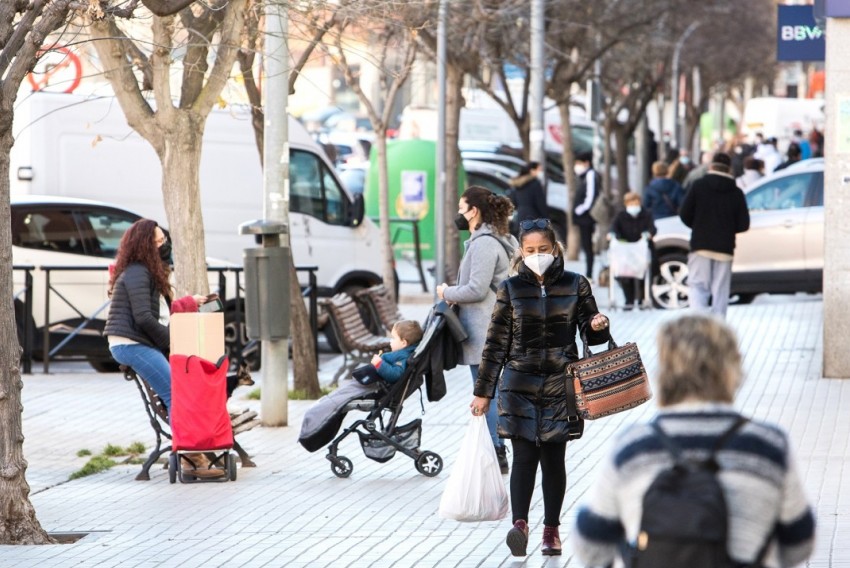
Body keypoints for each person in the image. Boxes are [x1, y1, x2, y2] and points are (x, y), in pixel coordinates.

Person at [571, 314, 815, 568]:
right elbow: (800, 543)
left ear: (664, 371)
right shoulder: (768, 445)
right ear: (731, 368)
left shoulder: (633, 446)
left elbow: (591, 545)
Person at [470, 218, 611, 558]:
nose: (537, 255)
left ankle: (551, 529)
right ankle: (520, 525)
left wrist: (597, 325)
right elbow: (495, 344)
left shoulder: (577, 284)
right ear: (521, 251)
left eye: (543, 250)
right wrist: (483, 391)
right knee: (523, 457)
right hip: (518, 383)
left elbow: (592, 333)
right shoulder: (511, 289)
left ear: (555, 249)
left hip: (561, 383)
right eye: (530, 250)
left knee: (553, 458)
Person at [104, 219, 221, 477]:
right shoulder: (137, 272)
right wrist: (172, 342)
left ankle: (192, 452)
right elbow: (144, 318)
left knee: (177, 392)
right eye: (157, 241)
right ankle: (191, 460)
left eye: (163, 240)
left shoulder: (144, 271)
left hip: (137, 342)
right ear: (144, 244)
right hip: (130, 344)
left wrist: (187, 302)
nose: (162, 245)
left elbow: (158, 311)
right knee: (176, 394)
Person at [436, 186, 517, 474]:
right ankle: (499, 446)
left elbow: (476, 289)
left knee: (487, 391)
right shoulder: (503, 239)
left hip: (484, 329)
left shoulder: (484, 244)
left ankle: (497, 448)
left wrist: (447, 292)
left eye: (462, 208)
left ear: (475, 211)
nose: (459, 213)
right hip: (496, 325)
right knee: (494, 389)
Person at [679, 152, 750, 317]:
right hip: (725, 248)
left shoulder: (698, 186)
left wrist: (698, 226)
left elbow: (684, 214)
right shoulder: (736, 192)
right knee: (720, 291)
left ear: (711, 166)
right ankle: (719, 329)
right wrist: (727, 229)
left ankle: (701, 324)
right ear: (729, 169)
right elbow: (744, 224)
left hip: (701, 245)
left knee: (698, 286)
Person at [608, 192, 656, 309]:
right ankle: (628, 300)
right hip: (625, 250)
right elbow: (614, 228)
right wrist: (612, 235)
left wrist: (648, 234)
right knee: (626, 275)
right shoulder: (621, 215)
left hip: (642, 249)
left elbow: (652, 228)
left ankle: (641, 299)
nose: (634, 205)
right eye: (631, 203)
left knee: (642, 275)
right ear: (626, 204)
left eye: (636, 202)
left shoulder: (646, 214)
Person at [572, 151, 600, 280]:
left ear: (586, 163)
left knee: (588, 245)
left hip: (586, 217)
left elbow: (591, 196)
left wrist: (580, 209)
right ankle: (588, 272)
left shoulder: (590, 175)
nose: (577, 166)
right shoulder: (584, 176)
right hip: (583, 217)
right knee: (586, 245)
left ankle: (589, 274)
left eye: (579, 163)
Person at [508, 161, 547, 237]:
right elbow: (540, 203)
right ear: (532, 170)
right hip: (533, 217)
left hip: (520, 217)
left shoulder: (517, 184)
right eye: (539, 170)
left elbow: (513, 202)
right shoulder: (535, 184)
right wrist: (545, 218)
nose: (540, 172)